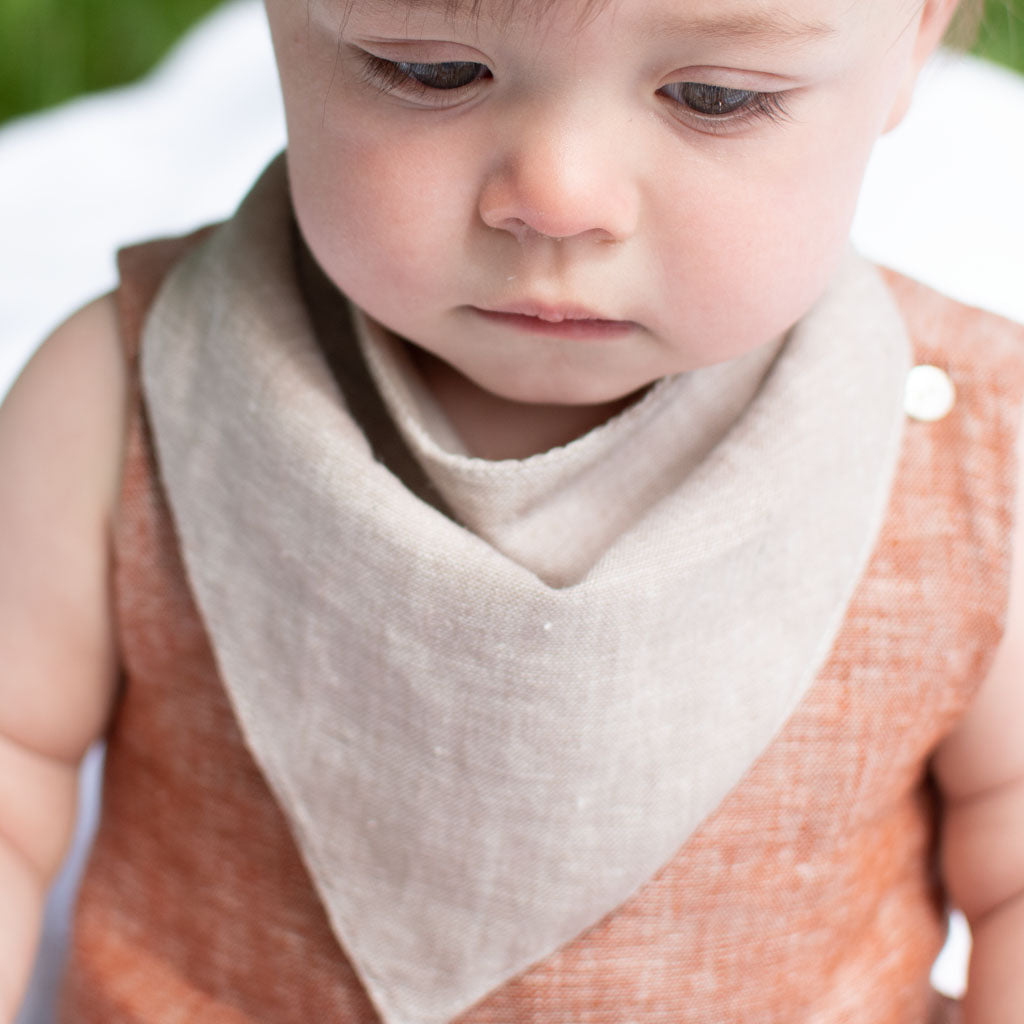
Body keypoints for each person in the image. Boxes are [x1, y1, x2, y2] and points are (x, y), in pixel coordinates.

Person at [1, 0, 1022, 1019]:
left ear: (913, 42)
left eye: (714, 97)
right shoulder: (131, 400)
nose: (557, 196)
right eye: (433, 71)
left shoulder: (966, 460)